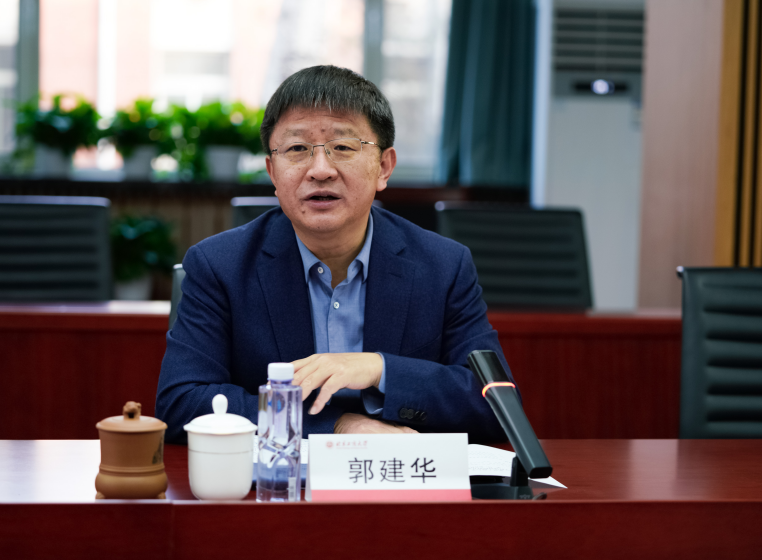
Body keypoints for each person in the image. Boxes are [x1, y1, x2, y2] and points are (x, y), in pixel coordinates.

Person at [156, 65, 516, 444]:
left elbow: (497, 403)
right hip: (280, 479)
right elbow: (183, 402)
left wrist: (381, 370)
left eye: (343, 147)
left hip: (396, 476)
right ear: (273, 173)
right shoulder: (219, 266)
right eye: (297, 149)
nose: (320, 170)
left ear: (384, 167)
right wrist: (337, 426)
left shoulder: (443, 266)